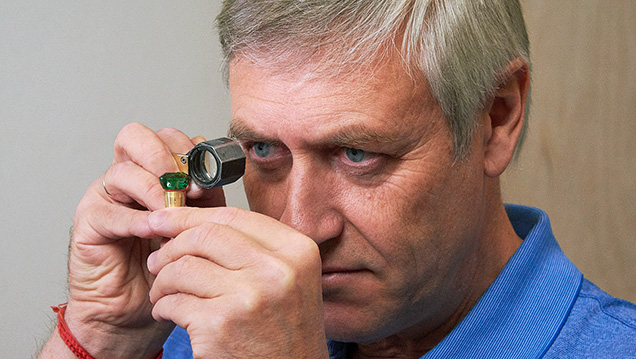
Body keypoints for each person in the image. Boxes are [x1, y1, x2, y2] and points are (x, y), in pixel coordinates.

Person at [39, 0, 636, 358]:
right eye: (265, 149)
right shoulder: (215, 327)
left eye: (357, 153)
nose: (300, 227)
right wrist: (105, 337)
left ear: (497, 117)